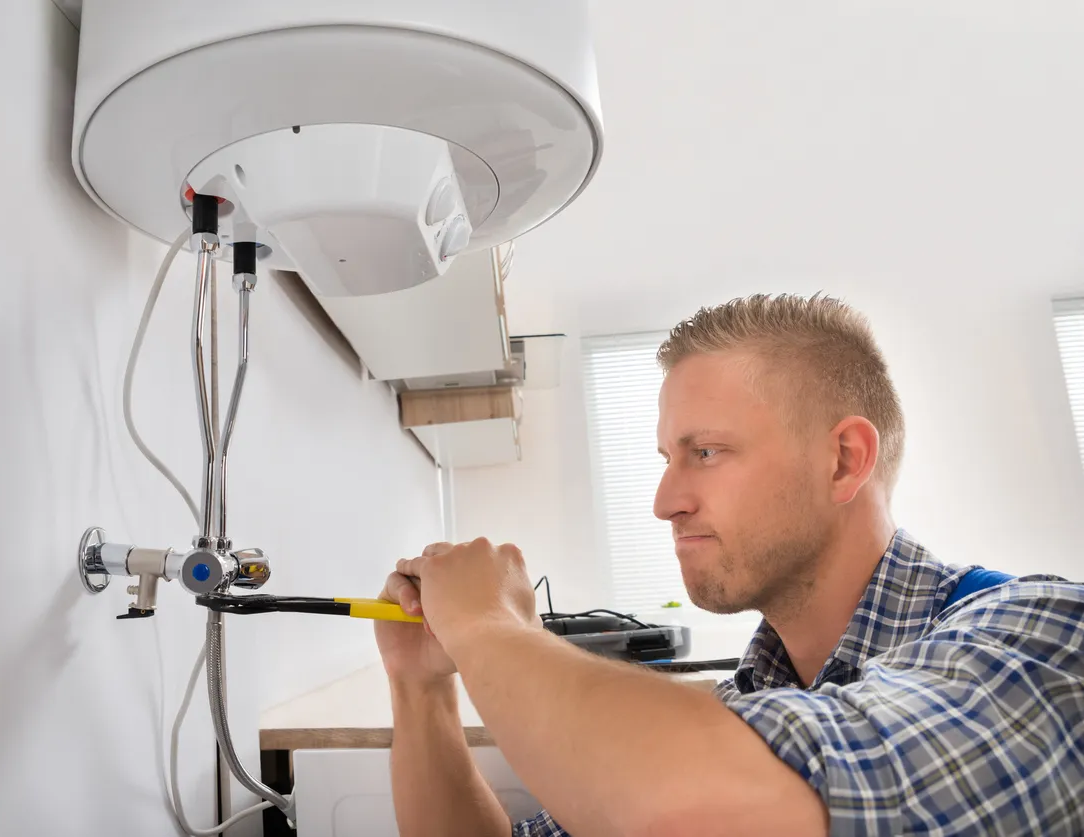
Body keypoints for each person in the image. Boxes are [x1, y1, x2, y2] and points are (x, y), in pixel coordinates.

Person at [374, 293, 1084, 836]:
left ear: (843, 460)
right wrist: (422, 687)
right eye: (667, 459)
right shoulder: (746, 704)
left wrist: (488, 624)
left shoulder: (1042, 634)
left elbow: (726, 808)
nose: (664, 501)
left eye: (705, 453)